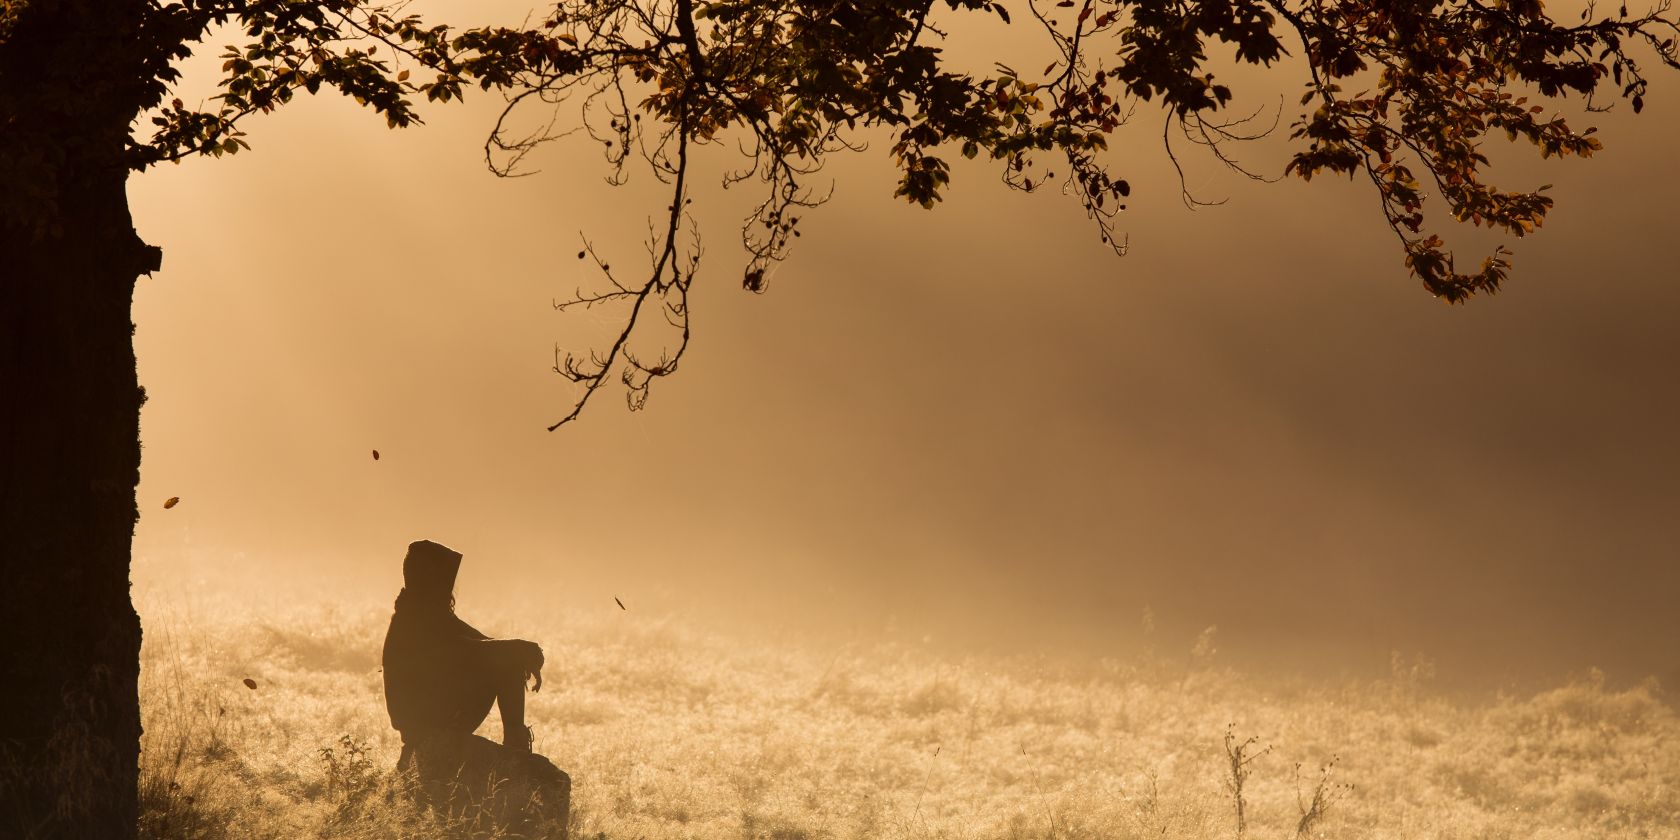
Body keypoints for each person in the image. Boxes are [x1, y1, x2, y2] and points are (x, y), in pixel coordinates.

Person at [383, 539, 569, 837]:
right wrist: (519, 649)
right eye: (444, 580)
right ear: (431, 581)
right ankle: (518, 752)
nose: (450, 589)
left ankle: (516, 744)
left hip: (444, 742)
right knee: (552, 781)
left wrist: (518, 651)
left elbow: (487, 645)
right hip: (433, 749)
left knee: (505, 659)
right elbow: (468, 649)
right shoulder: (414, 624)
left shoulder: (433, 619)